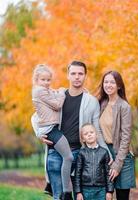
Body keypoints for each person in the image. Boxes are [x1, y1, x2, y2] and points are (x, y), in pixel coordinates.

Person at [38, 61, 111, 200]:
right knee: (59, 196)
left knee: (79, 195)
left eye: (80, 74)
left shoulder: (92, 102)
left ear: (85, 76)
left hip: (79, 153)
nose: (77, 77)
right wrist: (39, 134)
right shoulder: (56, 96)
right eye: (73, 73)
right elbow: (36, 116)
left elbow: (97, 131)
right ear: (68, 75)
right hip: (55, 151)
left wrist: (108, 154)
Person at [31, 64, 73, 199]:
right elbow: (57, 104)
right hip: (50, 129)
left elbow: (54, 93)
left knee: (66, 157)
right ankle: (67, 192)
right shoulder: (38, 91)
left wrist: (61, 90)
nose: (46, 83)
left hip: (51, 128)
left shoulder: (46, 91)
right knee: (69, 157)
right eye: (43, 80)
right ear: (36, 80)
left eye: (48, 80)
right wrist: (61, 93)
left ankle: (55, 187)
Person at [97, 71, 136, 200]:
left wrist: (118, 164)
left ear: (119, 85)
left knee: (122, 196)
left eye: (112, 82)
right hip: (104, 153)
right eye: (106, 82)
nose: (108, 85)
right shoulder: (100, 103)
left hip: (122, 156)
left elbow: (126, 138)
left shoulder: (124, 107)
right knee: (105, 195)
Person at [75, 123, 114, 200]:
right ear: (83, 139)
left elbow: (108, 173)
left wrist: (109, 191)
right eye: (86, 134)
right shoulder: (81, 153)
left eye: (91, 132)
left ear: (97, 135)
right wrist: (78, 192)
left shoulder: (104, 152)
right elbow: (78, 173)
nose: (89, 135)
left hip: (101, 189)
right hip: (85, 189)